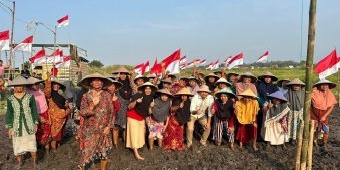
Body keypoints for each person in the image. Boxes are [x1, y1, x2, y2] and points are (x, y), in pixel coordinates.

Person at [77, 73, 115, 170]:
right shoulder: (86, 96)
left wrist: (109, 127)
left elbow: (111, 112)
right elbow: (82, 112)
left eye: (99, 80)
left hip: (104, 129)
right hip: (90, 129)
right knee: (86, 153)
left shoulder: (107, 95)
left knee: (104, 153)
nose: (97, 82)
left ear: (102, 83)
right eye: (95, 80)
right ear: (91, 83)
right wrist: (92, 105)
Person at [5, 76, 39, 168]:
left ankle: (34, 163)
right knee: (17, 145)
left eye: (21, 85)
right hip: (16, 126)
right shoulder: (10, 99)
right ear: (14, 86)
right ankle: (20, 162)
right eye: (17, 85)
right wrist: (9, 127)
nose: (19, 87)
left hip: (29, 124)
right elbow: (9, 113)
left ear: (24, 86)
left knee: (32, 144)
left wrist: (35, 123)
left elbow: (34, 111)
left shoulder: (30, 97)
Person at [126, 82, 157, 160]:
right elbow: (129, 107)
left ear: (151, 90)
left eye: (149, 88)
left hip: (141, 117)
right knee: (134, 134)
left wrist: (150, 107)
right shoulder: (137, 95)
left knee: (140, 134)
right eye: (146, 88)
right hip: (133, 116)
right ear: (143, 89)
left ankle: (137, 147)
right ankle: (136, 154)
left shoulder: (151, 98)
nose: (148, 90)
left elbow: (149, 112)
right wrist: (136, 101)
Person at [44, 73, 70, 152]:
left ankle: (54, 147)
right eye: (54, 84)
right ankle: (53, 149)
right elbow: (47, 90)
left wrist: (67, 107)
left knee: (59, 135)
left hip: (62, 118)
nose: (56, 86)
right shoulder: (50, 95)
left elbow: (66, 105)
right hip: (53, 119)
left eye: (58, 85)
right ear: (52, 86)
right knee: (54, 135)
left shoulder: (61, 95)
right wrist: (48, 79)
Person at [27, 77, 51, 156]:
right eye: (34, 84)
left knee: (46, 131)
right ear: (30, 85)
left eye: (37, 84)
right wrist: (37, 117)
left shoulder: (41, 90)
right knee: (36, 132)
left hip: (45, 112)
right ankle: (37, 150)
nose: (36, 85)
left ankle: (47, 151)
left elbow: (47, 96)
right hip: (34, 115)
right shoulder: (27, 93)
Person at [311, 79, 337, 149]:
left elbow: (332, 105)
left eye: (326, 85)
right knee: (314, 129)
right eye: (322, 84)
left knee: (325, 129)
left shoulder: (329, 93)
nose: (325, 86)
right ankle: (315, 142)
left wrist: (325, 116)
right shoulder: (314, 93)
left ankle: (324, 142)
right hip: (314, 114)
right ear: (318, 86)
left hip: (324, 114)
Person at [112, 66, 133, 146]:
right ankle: (115, 143)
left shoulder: (130, 84)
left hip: (127, 107)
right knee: (116, 126)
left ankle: (125, 142)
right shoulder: (117, 84)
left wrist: (131, 77)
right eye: (121, 74)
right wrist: (116, 79)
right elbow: (112, 88)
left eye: (125, 74)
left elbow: (134, 88)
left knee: (125, 126)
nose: (123, 75)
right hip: (118, 107)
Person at [285, 78, 305, 143]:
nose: (296, 87)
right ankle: (291, 138)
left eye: (298, 85)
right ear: (291, 86)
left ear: (300, 86)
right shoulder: (289, 92)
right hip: (291, 111)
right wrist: (286, 102)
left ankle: (298, 137)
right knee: (291, 124)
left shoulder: (303, 92)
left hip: (301, 111)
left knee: (299, 124)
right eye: (294, 85)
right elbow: (284, 100)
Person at [105, 77, 122, 148]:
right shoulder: (104, 95)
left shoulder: (115, 95)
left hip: (114, 116)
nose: (111, 88)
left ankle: (115, 143)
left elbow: (117, 108)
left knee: (115, 128)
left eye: (113, 86)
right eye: (110, 86)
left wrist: (114, 101)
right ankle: (106, 144)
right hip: (105, 117)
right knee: (106, 131)